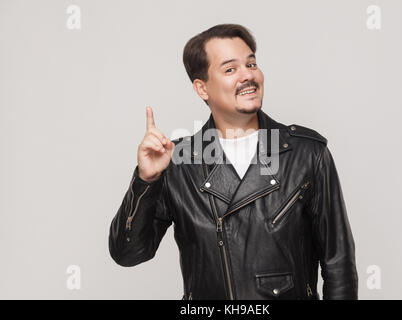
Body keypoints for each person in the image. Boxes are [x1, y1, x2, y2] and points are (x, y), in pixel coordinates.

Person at [109, 24, 358, 300]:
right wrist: (146, 181)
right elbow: (128, 254)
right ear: (202, 88)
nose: (247, 75)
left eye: (251, 64)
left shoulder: (305, 154)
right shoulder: (178, 162)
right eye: (230, 69)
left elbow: (339, 266)